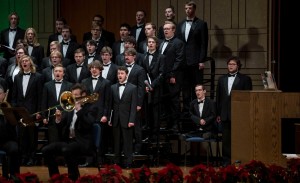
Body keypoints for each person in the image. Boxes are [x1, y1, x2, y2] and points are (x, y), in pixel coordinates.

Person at [42, 83, 97, 181]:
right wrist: (58, 119)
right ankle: (55, 177)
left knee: (67, 149)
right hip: (68, 141)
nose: (73, 97)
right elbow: (62, 126)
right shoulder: (70, 108)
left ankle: (73, 177)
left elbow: (88, 125)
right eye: (72, 95)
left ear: (83, 95)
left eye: (75, 95)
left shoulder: (91, 108)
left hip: (82, 142)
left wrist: (79, 109)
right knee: (46, 150)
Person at [216, 56, 252, 166]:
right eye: (229, 64)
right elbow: (218, 98)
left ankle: (238, 161)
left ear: (238, 66)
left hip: (239, 114)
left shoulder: (245, 79)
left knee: (239, 139)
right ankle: (226, 162)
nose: (230, 66)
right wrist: (218, 113)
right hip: (225, 114)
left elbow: (248, 98)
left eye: (233, 64)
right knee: (226, 140)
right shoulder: (221, 79)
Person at [176, 1, 209, 117]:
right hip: (183, 63)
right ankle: (186, 112)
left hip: (195, 62)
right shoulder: (180, 24)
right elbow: (179, 44)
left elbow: (204, 44)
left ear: (194, 9)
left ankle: (197, 113)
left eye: (190, 8)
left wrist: (201, 60)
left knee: (197, 89)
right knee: (185, 89)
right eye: (186, 9)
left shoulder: (201, 24)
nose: (188, 11)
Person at [11, 55, 43, 166]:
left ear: (30, 63)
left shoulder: (38, 77)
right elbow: (14, 96)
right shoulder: (17, 77)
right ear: (20, 64)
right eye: (22, 61)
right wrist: (15, 109)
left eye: (26, 61)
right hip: (20, 112)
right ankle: (23, 157)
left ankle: (32, 157)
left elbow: (40, 96)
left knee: (32, 136)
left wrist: (39, 111)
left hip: (32, 112)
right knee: (21, 136)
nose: (24, 62)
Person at [81, 60, 111, 166]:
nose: (94, 70)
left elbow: (107, 100)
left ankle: (100, 160)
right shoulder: (84, 82)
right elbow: (82, 100)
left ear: (100, 70)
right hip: (88, 115)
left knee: (101, 139)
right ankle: (88, 160)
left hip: (100, 114)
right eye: (92, 68)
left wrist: (105, 115)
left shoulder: (106, 83)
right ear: (90, 69)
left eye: (96, 68)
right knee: (88, 138)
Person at [159, 21, 185, 132]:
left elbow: (179, 60)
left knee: (174, 101)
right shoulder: (161, 42)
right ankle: (168, 123)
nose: (165, 30)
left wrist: (172, 74)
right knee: (165, 101)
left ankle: (176, 124)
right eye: (164, 29)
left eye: (168, 29)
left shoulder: (178, 43)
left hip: (173, 76)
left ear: (173, 30)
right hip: (163, 77)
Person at [110, 66, 137, 168]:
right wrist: (110, 118)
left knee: (127, 142)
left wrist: (131, 120)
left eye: (122, 73)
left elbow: (133, 106)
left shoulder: (133, 88)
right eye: (118, 74)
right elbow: (111, 105)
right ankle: (117, 162)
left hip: (127, 120)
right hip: (116, 119)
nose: (120, 75)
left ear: (126, 75)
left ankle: (128, 162)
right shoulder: (113, 87)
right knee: (116, 142)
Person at [140, 36, 165, 141]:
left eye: (152, 42)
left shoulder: (161, 57)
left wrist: (152, 86)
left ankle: (155, 136)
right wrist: (146, 86)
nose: (150, 44)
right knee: (147, 112)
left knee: (156, 113)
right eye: (149, 42)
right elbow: (143, 72)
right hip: (147, 89)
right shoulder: (144, 56)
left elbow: (162, 74)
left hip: (157, 89)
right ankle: (148, 135)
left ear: (156, 44)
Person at [41, 64, 73, 143]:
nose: (57, 73)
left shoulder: (70, 85)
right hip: (51, 117)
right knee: (52, 140)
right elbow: (44, 102)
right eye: (55, 71)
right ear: (53, 73)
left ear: (63, 73)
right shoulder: (47, 85)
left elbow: (70, 103)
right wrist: (44, 117)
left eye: (60, 71)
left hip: (64, 118)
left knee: (63, 140)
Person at [123, 48, 146, 154]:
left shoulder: (139, 69)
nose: (126, 57)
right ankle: (126, 148)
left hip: (135, 102)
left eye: (129, 55)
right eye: (125, 55)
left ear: (134, 56)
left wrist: (139, 104)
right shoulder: (122, 68)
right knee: (125, 126)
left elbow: (141, 88)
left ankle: (137, 149)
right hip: (124, 102)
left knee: (136, 127)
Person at [0, 81, 20, 179]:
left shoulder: (10, 107)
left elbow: (14, 125)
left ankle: (14, 175)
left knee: (14, 149)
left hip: (7, 140)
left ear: (4, 95)